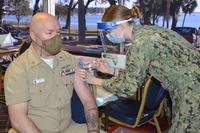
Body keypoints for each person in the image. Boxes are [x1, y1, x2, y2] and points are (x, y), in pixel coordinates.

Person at [81, 5, 200, 133]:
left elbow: (128, 88)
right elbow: (137, 73)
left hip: (192, 89)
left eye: (109, 32)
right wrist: (111, 70)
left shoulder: (140, 44)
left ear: (121, 26)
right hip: (188, 83)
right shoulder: (145, 32)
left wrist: (95, 80)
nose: (108, 36)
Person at [4, 12, 100, 133]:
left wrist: (93, 130)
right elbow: (18, 120)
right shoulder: (18, 69)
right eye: (50, 33)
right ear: (33, 36)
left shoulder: (68, 60)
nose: (56, 37)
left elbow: (87, 100)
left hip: (68, 128)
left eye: (58, 32)